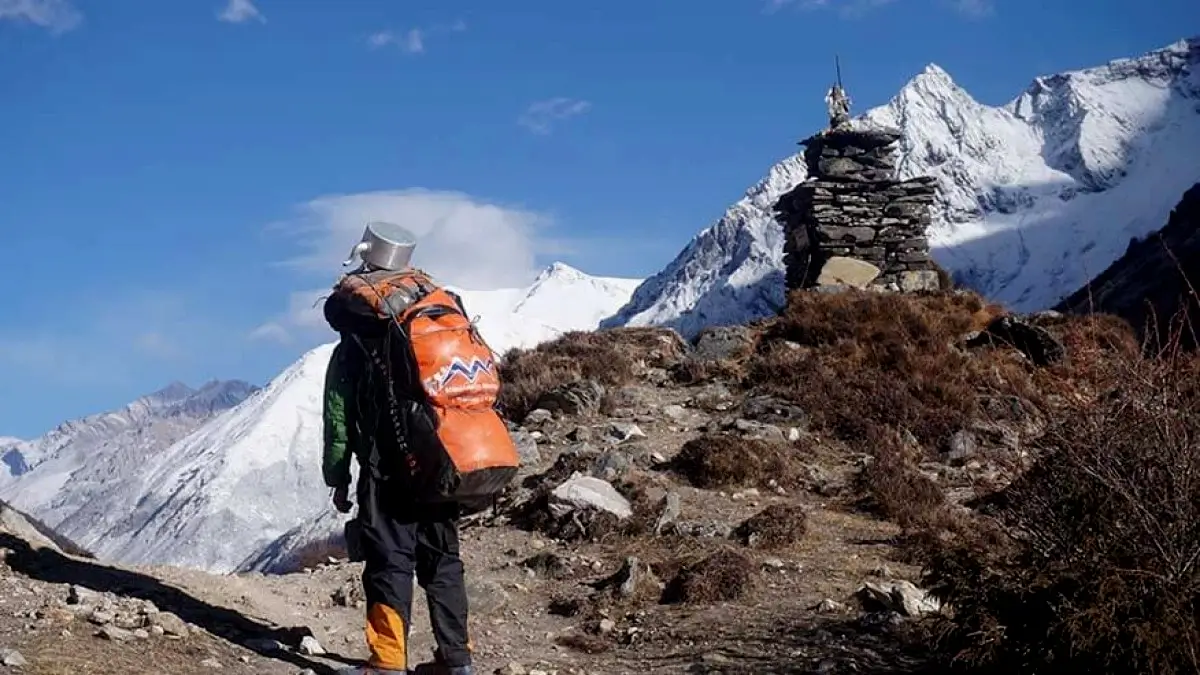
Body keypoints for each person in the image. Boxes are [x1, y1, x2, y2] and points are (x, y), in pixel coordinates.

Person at [322, 240, 475, 675]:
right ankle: (457, 660)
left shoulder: (355, 341)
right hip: (440, 457)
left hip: (386, 467)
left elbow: (338, 415)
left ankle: (387, 662)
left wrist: (338, 474)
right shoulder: (437, 321)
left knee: (389, 559)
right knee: (443, 559)